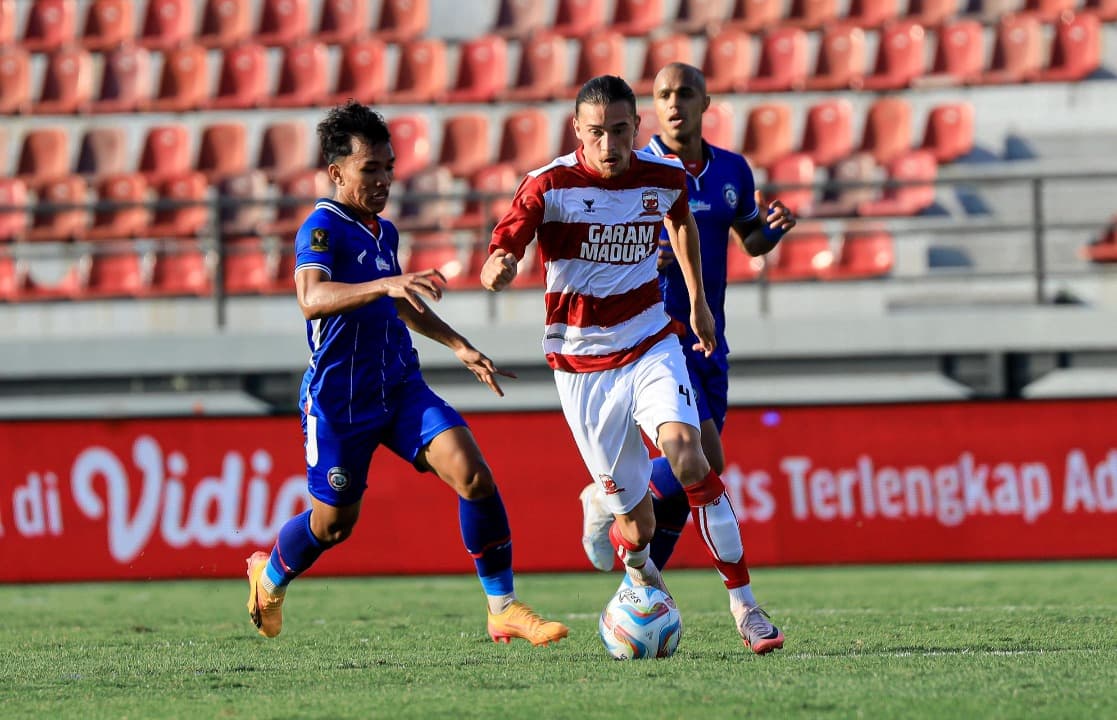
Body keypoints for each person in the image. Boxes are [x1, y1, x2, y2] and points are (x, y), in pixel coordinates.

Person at [244, 100, 568, 647]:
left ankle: (503, 607)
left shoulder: (382, 231)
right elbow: (311, 297)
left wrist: (460, 345)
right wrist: (385, 286)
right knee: (333, 526)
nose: (383, 180)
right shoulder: (321, 229)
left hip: (399, 386)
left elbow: (401, 304)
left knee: (472, 474)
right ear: (337, 173)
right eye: (371, 170)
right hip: (339, 403)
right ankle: (269, 577)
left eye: (389, 167)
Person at [480, 75, 783, 654]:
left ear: (635, 128)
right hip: (581, 365)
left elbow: (681, 222)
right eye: (597, 132)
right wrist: (500, 263)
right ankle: (637, 563)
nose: (610, 144)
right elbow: (508, 239)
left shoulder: (662, 177)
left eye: (620, 130)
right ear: (578, 132)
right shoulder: (549, 185)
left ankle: (745, 605)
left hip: (650, 341)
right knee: (638, 527)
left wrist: (695, 302)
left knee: (691, 454)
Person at [578, 63, 795, 654]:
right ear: (653, 105)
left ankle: (637, 573)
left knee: (684, 477)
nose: (676, 104)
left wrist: (769, 236)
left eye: (686, 94)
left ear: (706, 101)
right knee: (703, 460)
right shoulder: (633, 168)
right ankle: (742, 604)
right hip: (654, 338)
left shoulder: (731, 171)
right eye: (665, 96)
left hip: (708, 341)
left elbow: (747, 240)